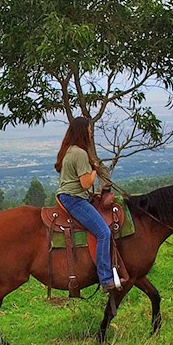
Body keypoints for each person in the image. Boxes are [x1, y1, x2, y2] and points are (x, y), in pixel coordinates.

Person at [55, 117, 119, 293]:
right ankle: (106, 279)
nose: (91, 132)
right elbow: (85, 183)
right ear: (83, 131)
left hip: (68, 196)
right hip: (74, 199)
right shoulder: (80, 154)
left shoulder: (69, 150)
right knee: (103, 232)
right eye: (89, 129)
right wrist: (94, 171)